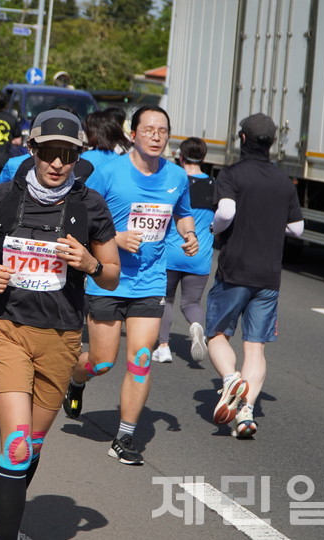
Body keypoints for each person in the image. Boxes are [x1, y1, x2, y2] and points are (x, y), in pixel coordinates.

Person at [0, 109, 120, 540]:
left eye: (67, 155)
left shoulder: (89, 204)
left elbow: (112, 273)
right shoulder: (4, 197)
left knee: (29, 448)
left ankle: (5, 512)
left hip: (62, 336)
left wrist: (90, 263)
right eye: (49, 152)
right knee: (15, 447)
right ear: (32, 151)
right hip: (6, 328)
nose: (57, 163)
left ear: (77, 158)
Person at [63, 105, 199, 466]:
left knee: (140, 359)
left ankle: (124, 437)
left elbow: (183, 213)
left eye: (163, 131)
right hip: (107, 279)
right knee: (102, 363)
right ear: (133, 135)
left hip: (150, 281)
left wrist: (188, 234)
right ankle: (76, 380)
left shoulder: (177, 177)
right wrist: (115, 238)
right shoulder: (109, 173)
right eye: (149, 129)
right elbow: (78, 218)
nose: (157, 136)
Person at [206, 113, 303, 439]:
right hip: (269, 274)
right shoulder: (282, 180)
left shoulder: (232, 174)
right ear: (273, 143)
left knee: (217, 334)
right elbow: (297, 228)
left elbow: (226, 212)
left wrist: (214, 227)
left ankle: (231, 380)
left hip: (235, 269)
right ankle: (245, 413)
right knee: (256, 347)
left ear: (242, 139)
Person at [152, 137, 216, 364]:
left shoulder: (174, 181)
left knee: (165, 300)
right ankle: (197, 326)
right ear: (204, 158)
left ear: (180, 156)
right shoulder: (213, 185)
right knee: (191, 303)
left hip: (170, 252)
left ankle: (163, 346)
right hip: (199, 254)